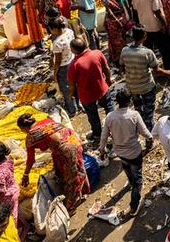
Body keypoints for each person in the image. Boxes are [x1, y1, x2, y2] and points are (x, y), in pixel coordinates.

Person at [17, 113, 88, 213]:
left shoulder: (31, 136)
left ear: (23, 128)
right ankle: (84, 191)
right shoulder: (47, 121)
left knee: (70, 178)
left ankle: (72, 205)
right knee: (78, 168)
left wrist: (26, 174)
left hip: (66, 150)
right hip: (74, 141)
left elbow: (31, 160)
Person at [99, 88, 151, 217]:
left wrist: (102, 150)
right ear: (129, 101)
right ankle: (134, 207)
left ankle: (130, 183)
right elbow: (144, 132)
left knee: (127, 168)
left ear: (117, 101)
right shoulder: (134, 115)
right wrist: (151, 138)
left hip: (120, 152)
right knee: (138, 180)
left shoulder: (110, 116)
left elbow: (104, 136)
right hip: (134, 152)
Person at [121, 27, 170, 132]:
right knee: (149, 113)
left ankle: (140, 127)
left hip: (132, 87)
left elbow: (121, 68)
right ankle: (149, 136)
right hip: (147, 87)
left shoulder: (124, 50)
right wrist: (168, 72)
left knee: (139, 110)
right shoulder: (147, 52)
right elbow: (156, 70)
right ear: (145, 36)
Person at [67, 37, 113, 143]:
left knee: (93, 115)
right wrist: (108, 79)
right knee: (109, 107)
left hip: (86, 95)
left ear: (74, 50)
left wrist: (70, 95)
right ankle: (115, 128)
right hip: (101, 88)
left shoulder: (73, 65)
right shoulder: (97, 53)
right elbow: (106, 68)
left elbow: (72, 85)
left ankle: (97, 134)